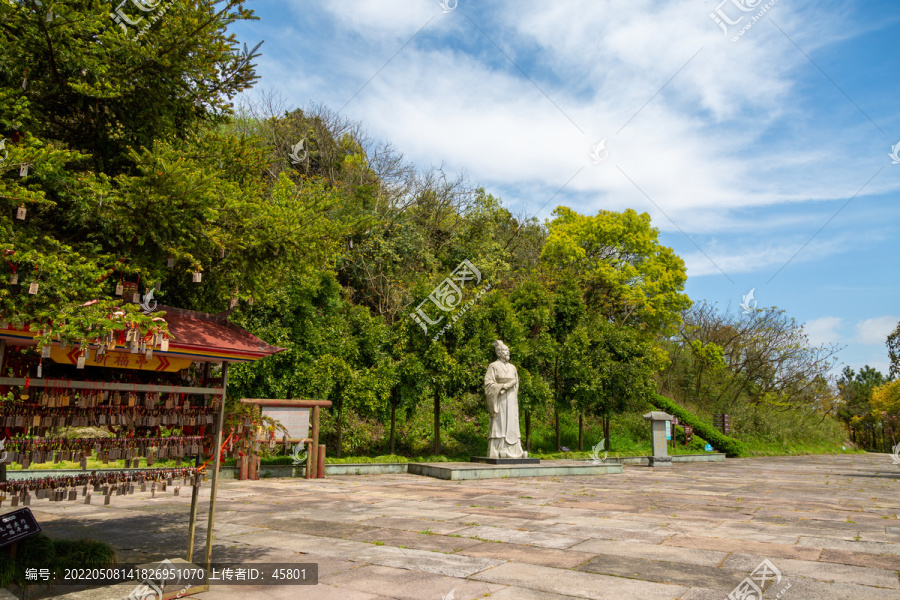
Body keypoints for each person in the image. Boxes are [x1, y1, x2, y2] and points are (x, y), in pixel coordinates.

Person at [483, 340, 527, 459]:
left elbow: (516, 383)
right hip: (500, 398)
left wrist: (512, 390)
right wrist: (502, 386)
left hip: (511, 398)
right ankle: (499, 448)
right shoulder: (493, 366)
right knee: (500, 422)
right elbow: (488, 384)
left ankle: (515, 449)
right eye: (505, 351)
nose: (508, 353)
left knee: (512, 422)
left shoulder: (513, 368)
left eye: (508, 351)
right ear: (499, 353)